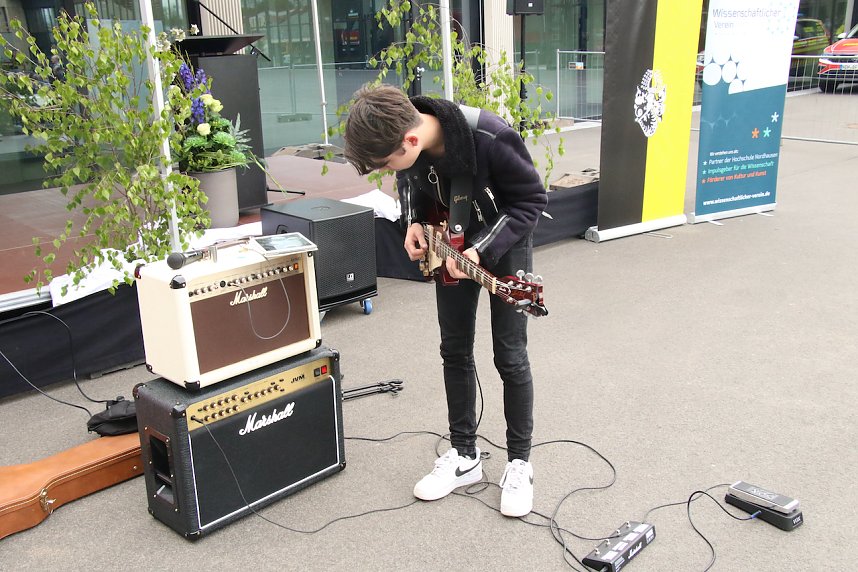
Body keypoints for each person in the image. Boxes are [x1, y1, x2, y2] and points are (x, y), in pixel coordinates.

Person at [342, 84, 547, 517]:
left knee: (509, 355)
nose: (387, 171)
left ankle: (519, 463)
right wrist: (414, 220)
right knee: (454, 350)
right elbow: (407, 177)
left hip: (503, 245)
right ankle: (465, 455)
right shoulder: (406, 132)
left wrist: (481, 250)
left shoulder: (490, 136)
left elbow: (531, 200)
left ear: (410, 141)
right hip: (447, 242)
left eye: (386, 161)